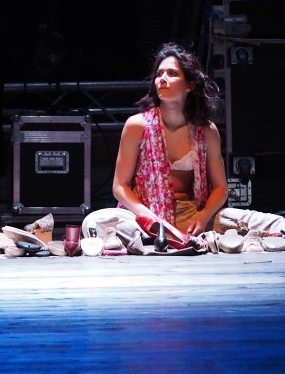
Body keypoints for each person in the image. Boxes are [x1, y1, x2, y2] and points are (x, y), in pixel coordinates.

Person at [111, 41, 283, 241]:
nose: (162, 79)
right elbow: (119, 187)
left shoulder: (207, 131)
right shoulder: (137, 125)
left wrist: (203, 217)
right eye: (159, 74)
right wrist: (152, 218)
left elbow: (221, 189)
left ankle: (187, 237)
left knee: (271, 222)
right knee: (98, 220)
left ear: (189, 85)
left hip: (192, 214)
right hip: (144, 215)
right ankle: (158, 237)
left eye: (172, 73)